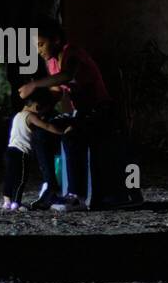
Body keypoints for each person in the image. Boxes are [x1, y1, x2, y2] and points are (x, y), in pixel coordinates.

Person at [17, 19, 115, 211]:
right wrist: (37, 110)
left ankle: (76, 195)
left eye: (41, 44)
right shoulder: (51, 62)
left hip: (100, 110)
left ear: (56, 40)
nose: (39, 50)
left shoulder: (72, 52)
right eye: (37, 46)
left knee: (72, 134)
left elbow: (67, 76)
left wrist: (35, 84)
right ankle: (51, 190)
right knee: (41, 133)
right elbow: (56, 91)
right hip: (79, 113)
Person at [0, 89, 70, 210]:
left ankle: (7, 202)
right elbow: (46, 126)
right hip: (21, 153)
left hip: (10, 150)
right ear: (37, 107)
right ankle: (16, 203)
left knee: (9, 177)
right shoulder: (31, 116)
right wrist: (62, 132)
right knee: (21, 179)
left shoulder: (18, 115)